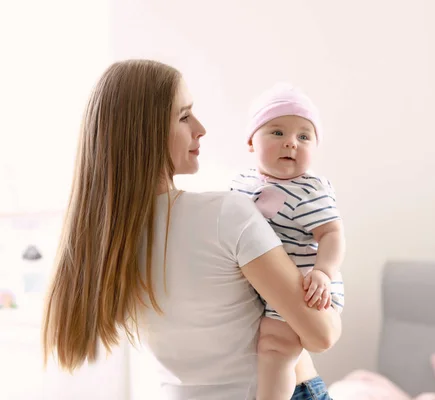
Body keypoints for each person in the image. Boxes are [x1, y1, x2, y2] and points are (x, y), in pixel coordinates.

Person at [41, 59, 342, 400]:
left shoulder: (105, 239)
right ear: (145, 131)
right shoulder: (227, 215)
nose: (200, 128)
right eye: (184, 116)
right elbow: (321, 335)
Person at [231, 83, 345, 399]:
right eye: (278, 133)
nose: (291, 143)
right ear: (251, 142)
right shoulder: (240, 183)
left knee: (276, 345)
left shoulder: (310, 190)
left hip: (308, 284)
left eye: (304, 136)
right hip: (273, 286)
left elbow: (332, 234)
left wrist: (323, 272)